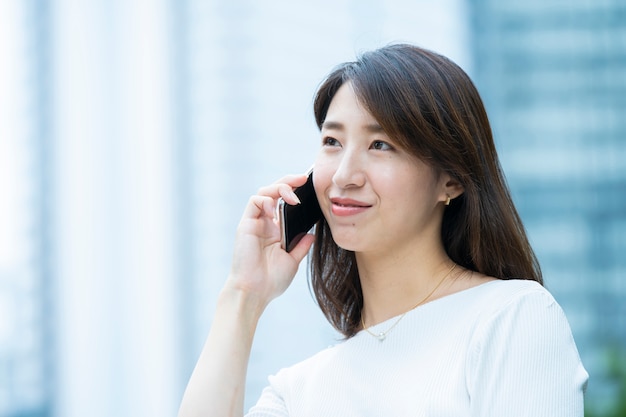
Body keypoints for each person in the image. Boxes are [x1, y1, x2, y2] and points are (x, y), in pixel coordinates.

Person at [177, 44, 588, 417]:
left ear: (451, 180)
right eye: (332, 141)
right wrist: (243, 296)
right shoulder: (298, 391)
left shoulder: (512, 317)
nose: (344, 175)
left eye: (381, 145)